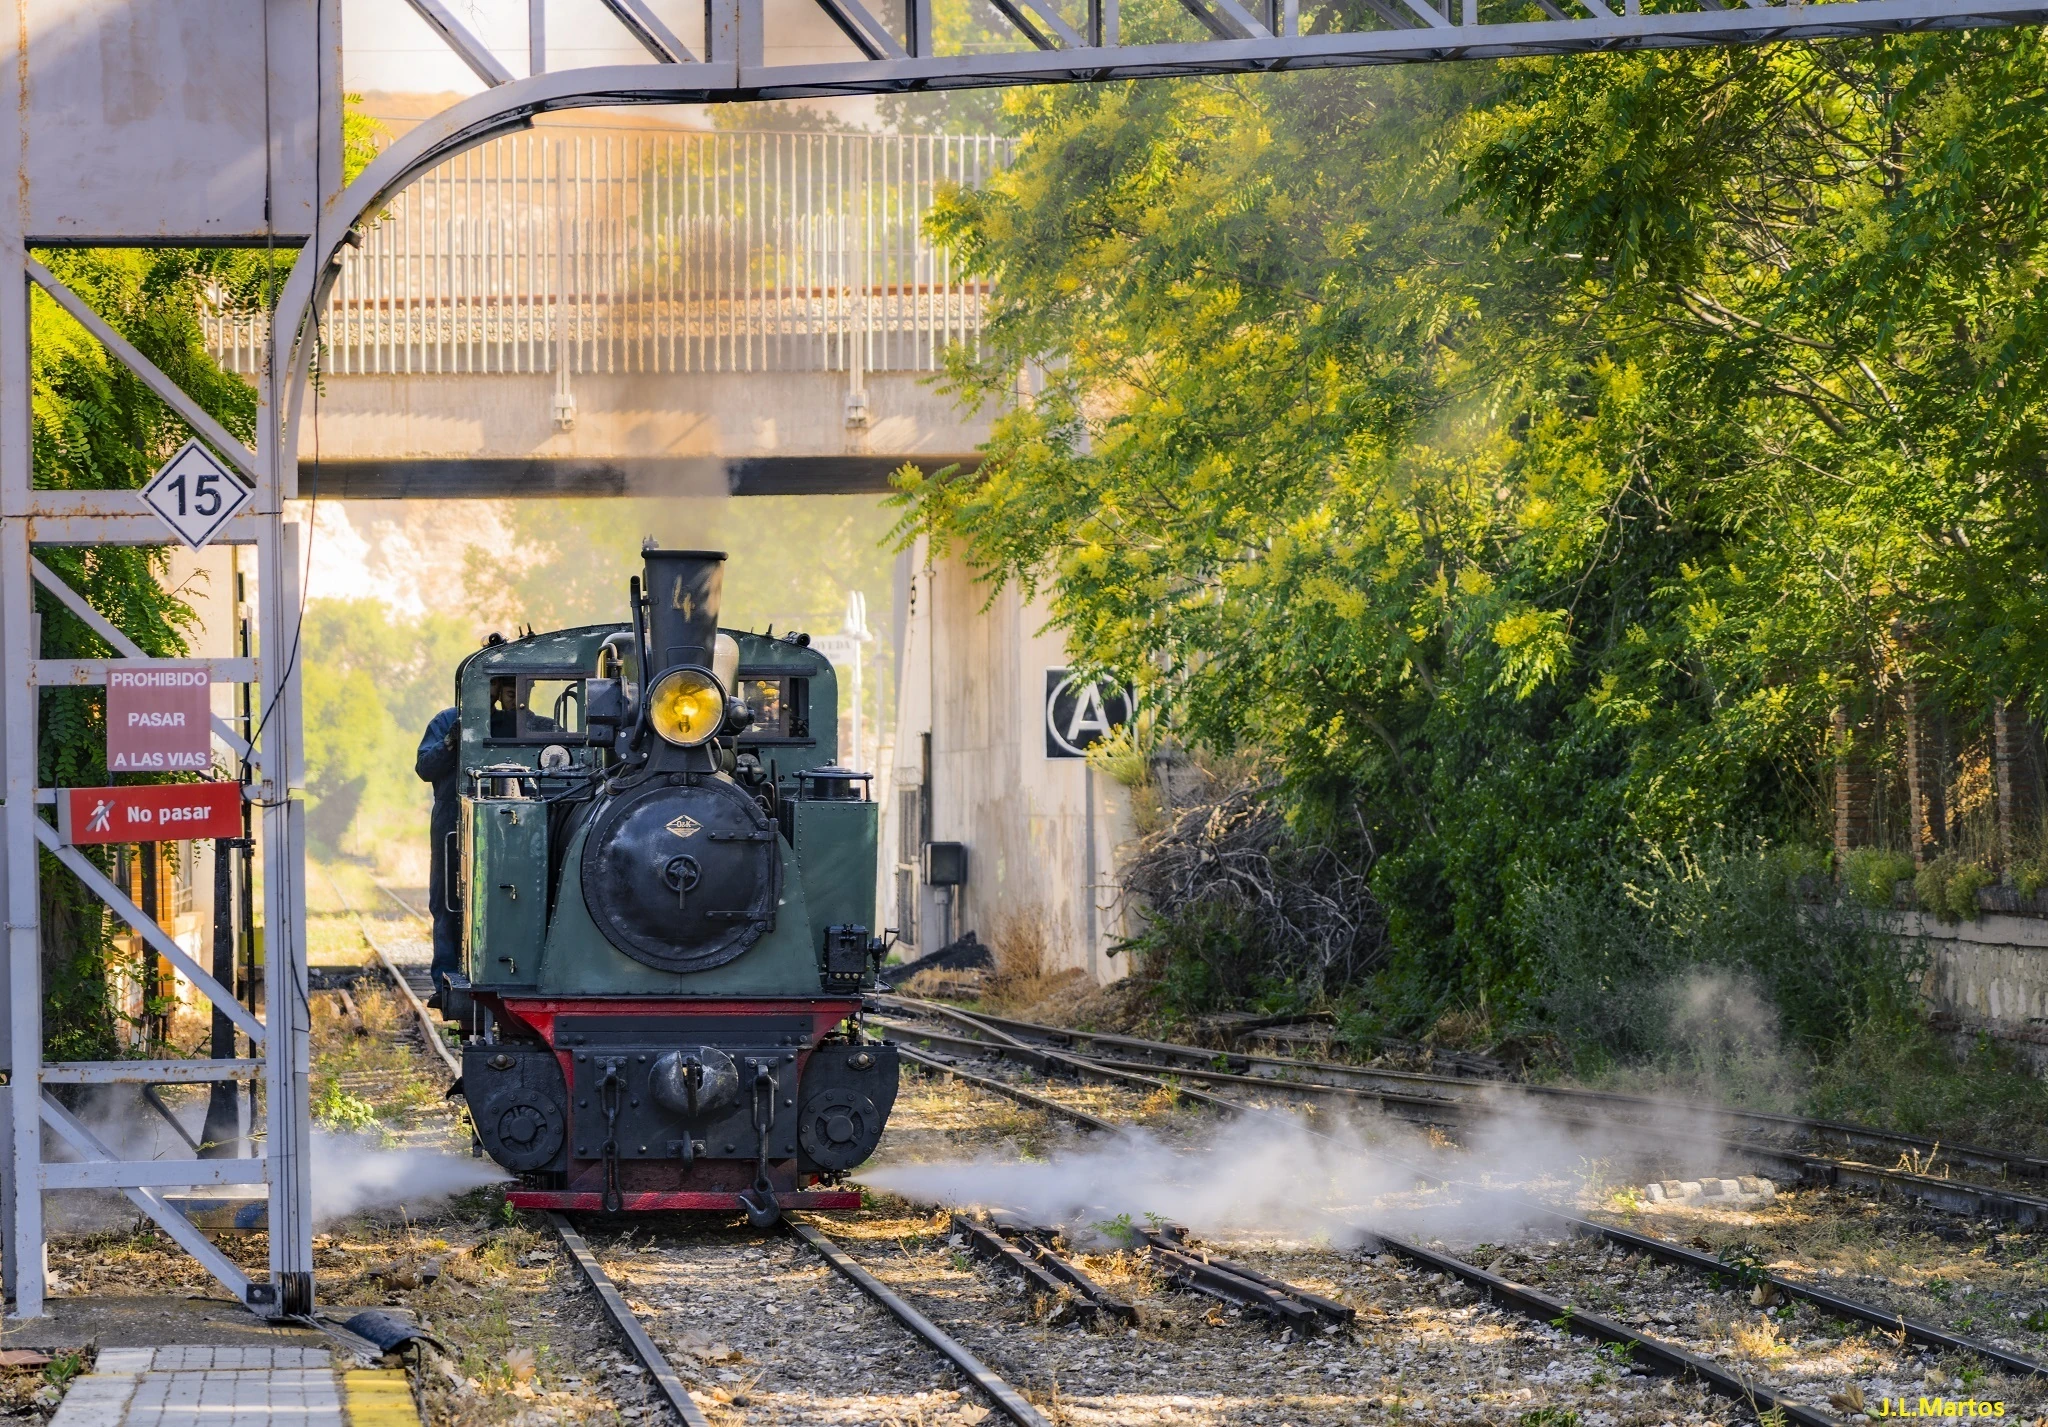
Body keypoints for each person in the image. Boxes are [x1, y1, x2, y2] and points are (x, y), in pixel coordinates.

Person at [415, 706, 462, 1001]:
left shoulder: (529, 723)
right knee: (446, 901)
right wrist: (449, 743)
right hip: (451, 817)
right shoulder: (447, 721)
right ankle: (445, 980)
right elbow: (424, 768)